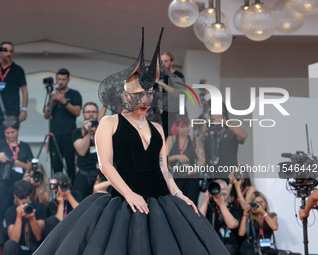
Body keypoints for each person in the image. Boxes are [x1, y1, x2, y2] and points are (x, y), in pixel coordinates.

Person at [33, 28, 229, 255]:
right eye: (138, 94)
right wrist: (129, 194)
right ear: (126, 96)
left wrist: (178, 194)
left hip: (161, 200)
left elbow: (163, 169)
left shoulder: (156, 127)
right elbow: (105, 165)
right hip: (124, 202)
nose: (145, 99)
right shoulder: (109, 123)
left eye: (148, 93)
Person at [0, 116, 33, 215]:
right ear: (4, 132)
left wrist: (22, 165)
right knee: (2, 211)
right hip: (3, 183)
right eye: (7, 133)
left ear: (18, 130)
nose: (10, 135)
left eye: (13, 132)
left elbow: (32, 165)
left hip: (20, 184)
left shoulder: (25, 146)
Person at [44, 68, 82, 184]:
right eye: (59, 79)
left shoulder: (74, 94)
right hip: (54, 136)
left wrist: (63, 100)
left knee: (70, 166)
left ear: (68, 80)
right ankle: (57, 191)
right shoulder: (52, 94)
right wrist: (52, 102)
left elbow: (77, 112)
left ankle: (72, 192)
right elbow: (46, 115)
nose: (61, 82)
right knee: (56, 166)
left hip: (69, 135)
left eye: (63, 79)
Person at [167, 115, 205, 206]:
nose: (185, 129)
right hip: (176, 177)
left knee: (191, 205)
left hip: (191, 178)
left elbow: (202, 161)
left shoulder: (195, 140)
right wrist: (177, 157)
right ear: (176, 127)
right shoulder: (171, 139)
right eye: (182, 127)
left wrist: (193, 171)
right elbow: (164, 158)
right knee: (176, 205)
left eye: (187, 126)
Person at [202, 105, 247, 182]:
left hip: (229, 176)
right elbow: (199, 149)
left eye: (218, 118)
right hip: (213, 178)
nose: (216, 121)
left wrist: (226, 122)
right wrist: (203, 132)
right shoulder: (209, 135)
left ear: (224, 117)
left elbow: (244, 135)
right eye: (213, 119)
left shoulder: (231, 133)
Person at [3, 180, 46, 255]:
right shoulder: (10, 211)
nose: (23, 201)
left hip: (37, 249)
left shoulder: (39, 207)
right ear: (15, 195)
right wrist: (19, 217)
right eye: (20, 198)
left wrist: (32, 219)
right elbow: (13, 240)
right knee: (9, 245)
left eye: (26, 198)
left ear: (31, 195)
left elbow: (39, 237)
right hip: (20, 249)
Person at [199, 179, 242, 255]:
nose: (221, 192)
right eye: (218, 189)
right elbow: (198, 220)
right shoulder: (210, 208)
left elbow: (232, 225)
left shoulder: (235, 209)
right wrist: (206, 201)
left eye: (223, 189)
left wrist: (221, 204)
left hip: (229, 244)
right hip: (212, 243)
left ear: (228, 190)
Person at [72, 102, 99, 198]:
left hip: (101, 175)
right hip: (84, 175)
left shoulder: (103, 130)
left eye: (93, 112)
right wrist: (88, 132)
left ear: (97, 114)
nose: (91, 114)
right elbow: (81, 151)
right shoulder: (78, 132)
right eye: (88, 112)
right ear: (83, 114)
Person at [155, 52, 185, 138]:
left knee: (175, 139)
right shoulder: (163, 76)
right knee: (165, 138)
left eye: (166, 61)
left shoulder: (178, 75)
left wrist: (162, 84)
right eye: (161, 62)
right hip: (166, 112)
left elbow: (178, 94)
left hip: (176, 112)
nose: (163, 64)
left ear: (172, 62)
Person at [45, 173, 83, 237]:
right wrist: (61, 203)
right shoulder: (53, 203)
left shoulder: (76, 195)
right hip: (62, 233)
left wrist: (68, 195)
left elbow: (81, 212)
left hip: (76, 227)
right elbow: (57, 222)